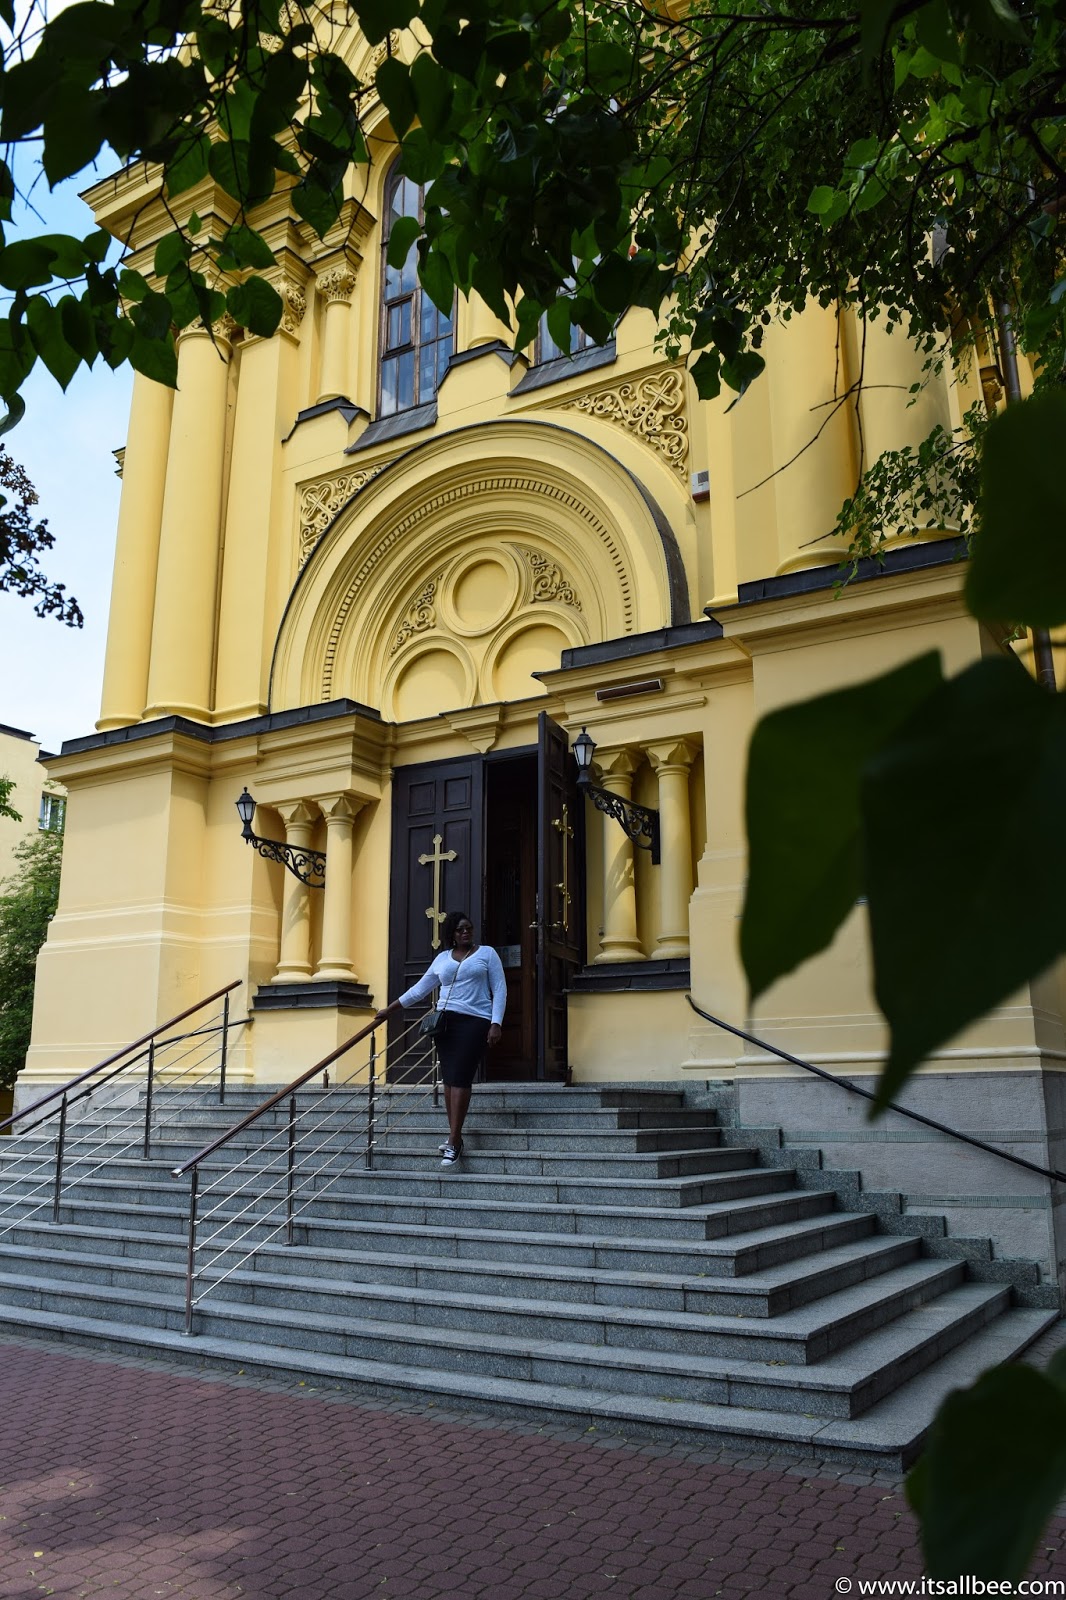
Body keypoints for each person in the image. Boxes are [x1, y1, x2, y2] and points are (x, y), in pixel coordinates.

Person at [372, 912, 505, 1167]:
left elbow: (499, 989)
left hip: (476, 1021)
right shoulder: (442, 959)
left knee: (462, 1077)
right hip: (445, 1023)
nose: (466, 932)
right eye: (460, 929)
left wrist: (495, 1023)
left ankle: (454, 1142)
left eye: (468, 928)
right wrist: (389, 1010)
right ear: (451, 935)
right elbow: (419, 990)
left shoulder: (487, 954)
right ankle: (454, 1136)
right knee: (449, 1079)